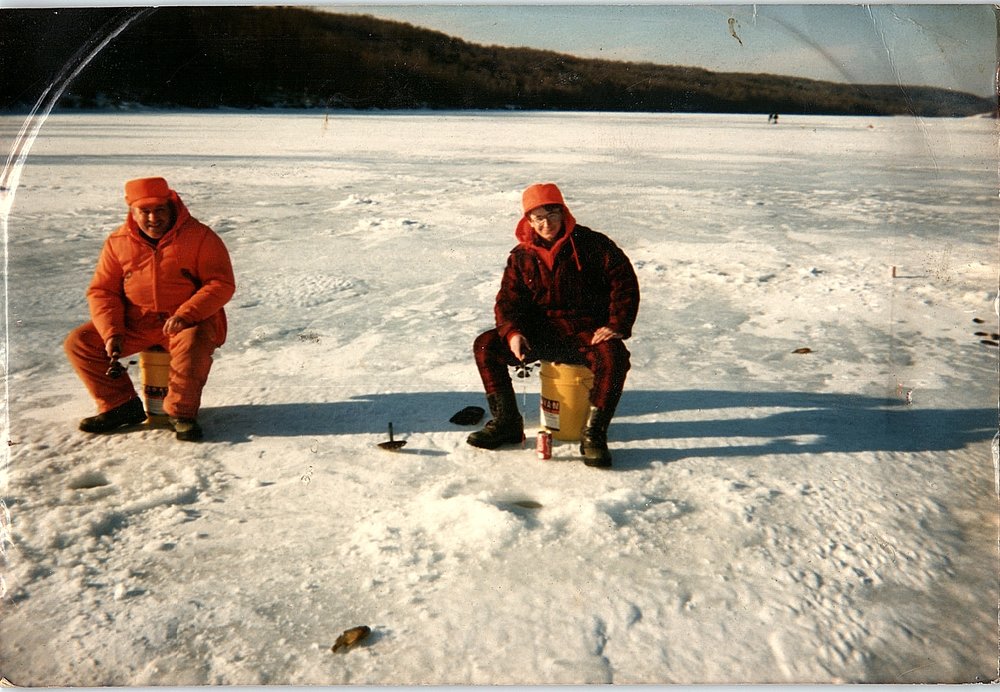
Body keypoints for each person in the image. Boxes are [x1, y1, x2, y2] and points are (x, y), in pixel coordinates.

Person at [468, 183, 640, 467]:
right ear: (528, 221)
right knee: (486, 345)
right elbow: (507, 301)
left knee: (614, 357)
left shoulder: (593, 244)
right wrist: (512, 333)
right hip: (541, 332)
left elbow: (624, 282)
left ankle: (594, 434)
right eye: (537, 218)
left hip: (584, 330)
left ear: (563, 212)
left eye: (551, 214)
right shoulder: (521, 256)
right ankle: (507, 421)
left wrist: (617, 324)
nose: (545, 224)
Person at [64, 177, 236, 441]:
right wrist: (111, 332)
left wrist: (186, 313)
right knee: (80, 343)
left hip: (187, 321)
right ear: (132, 212)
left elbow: (221, 283)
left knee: (192, 344)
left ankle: (181, 414)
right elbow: (103, 291)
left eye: (160, 210)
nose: (153, 218)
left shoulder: (200, 237)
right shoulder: (117, 242)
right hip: (137, 323)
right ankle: (119, 405)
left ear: (172, 207)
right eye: (145, 211)